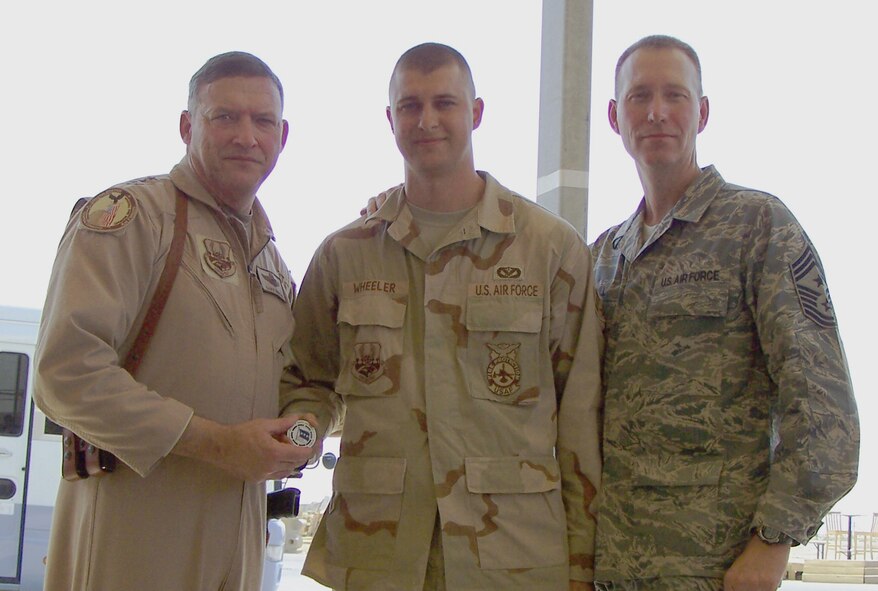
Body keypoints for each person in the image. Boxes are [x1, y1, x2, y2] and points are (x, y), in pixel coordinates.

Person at [280, 42, 603, 590]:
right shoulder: (346, 253)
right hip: (377, 552)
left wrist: (580, 564)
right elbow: (307, 380)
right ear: (390, 120)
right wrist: (302, 431)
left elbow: (580, 416)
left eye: (445, 104)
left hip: (514, 558)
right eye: (409, 106)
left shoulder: (549, 249)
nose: (427, 121)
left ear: (475, 113)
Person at [34, 51, 315, 590]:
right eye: (224, 116)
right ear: (188, 126)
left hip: (238, 541)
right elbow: (66, 373)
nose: (246, 136)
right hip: (134, 537)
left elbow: (301, 382)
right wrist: (216, 443)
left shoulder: (274, 264)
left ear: (283, 135)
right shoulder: (134, 218)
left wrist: (302, 430)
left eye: (262, 121)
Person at [590, 35, 860, 591]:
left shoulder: (758, 227)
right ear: (616, 117)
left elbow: (823, 403)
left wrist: (772, 543)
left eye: (676, 95)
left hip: (717, 568)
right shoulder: (602, 257)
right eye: (639, 96)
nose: (657, 112)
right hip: (614, 568)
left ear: (703, 112)